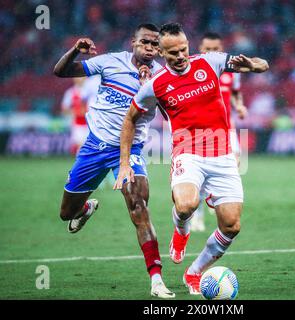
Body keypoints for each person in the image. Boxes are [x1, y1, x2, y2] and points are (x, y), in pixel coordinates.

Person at [114, 23, 269, 295]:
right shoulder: (156, 85)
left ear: (189, 45)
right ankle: (181, 231)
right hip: (187, 151)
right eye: (173, 52)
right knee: (186, 205)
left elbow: (261, 64)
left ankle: (194, 272)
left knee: (232, 225)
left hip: (222, 153)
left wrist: (256, 66)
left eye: (183, 49)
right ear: (161, 53)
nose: (180, 56)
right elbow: (130, 119)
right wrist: (125, 162)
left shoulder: (210, 62)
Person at [53, 23, 175, 299]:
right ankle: (84, 210)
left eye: (155, 45)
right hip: (95, 146)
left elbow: (170, 116)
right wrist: (75, 51)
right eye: (145, 42)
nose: (150, 48)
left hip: (131, 149)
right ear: (133, 42)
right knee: (66, 213)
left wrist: (149, 88)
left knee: (139, 206)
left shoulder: (162, 76)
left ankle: (156, 280)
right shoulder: (110, 62)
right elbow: (60, 72)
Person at [190, 32, 249, 232]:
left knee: (235, 162)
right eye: (208, 49)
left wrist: (239, 105)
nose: (212, 52)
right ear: (200, 49)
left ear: (221, 49)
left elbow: (235, 92)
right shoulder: (193, 70)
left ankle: (215, 196)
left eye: (216, 49)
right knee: (200, 174)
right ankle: (197, 215)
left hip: (226, 125)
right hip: (202, 128)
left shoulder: (232, 71)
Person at [61, 76, 100, 155]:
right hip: (78, 124)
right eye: (77, 77)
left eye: (82, 77)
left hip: (92, 123)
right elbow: (64, 109)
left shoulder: (91, 89)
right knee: (81, 146)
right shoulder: (70, 92)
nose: (79, 79)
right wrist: (76, 112)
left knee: (91, 147)